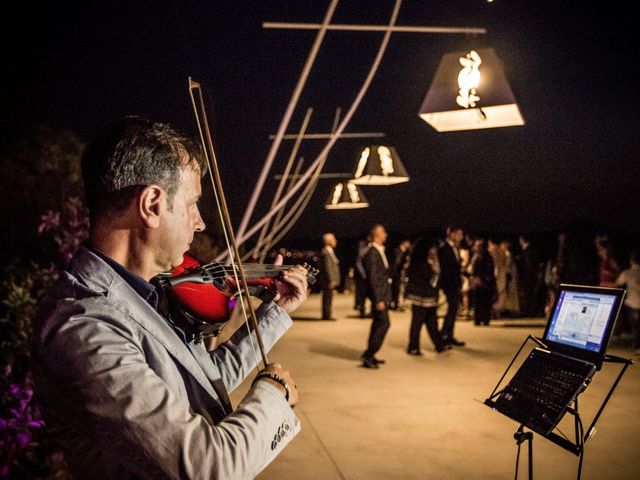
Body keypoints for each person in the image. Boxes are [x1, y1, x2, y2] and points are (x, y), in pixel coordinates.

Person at [31, 116, 309, 479]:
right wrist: (272, 394)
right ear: (152, 204)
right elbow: (209, 468)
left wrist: (275, 314)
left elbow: (203, 382)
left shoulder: (146, 291)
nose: (200, 222)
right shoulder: (83, 328)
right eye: (193, 202)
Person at [404, 238, 447, 355]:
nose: (434, 250)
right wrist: (436, 271)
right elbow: (432, 280)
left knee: (431, 321)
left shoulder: (417, 261)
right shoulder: (423, 263)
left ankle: (438, 345)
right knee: (418, 322)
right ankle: (413, 347)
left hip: (424, 296)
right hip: (423, 297)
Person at [361, 224, 392, 369]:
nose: (386, 234)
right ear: (377, 235)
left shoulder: (377, 251)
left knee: (377, 324)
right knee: (384, 324)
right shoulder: (372, 253)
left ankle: (370, 353)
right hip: (379, 297)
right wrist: (378, 299)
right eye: (383, 232)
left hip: (381, 295)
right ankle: (369, 354)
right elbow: (373, 278)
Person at [437, 225, 466, 347]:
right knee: (451, 309)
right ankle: (444, 334)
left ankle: (449, 334)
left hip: (455, 283)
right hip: (449, 284)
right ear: (452, 234)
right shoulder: (445, 248)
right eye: (459, 234)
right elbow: (445, 268)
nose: (461, 237)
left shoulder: (454, 248)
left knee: (453, 310)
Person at [616, 249, 640, 355]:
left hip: (632, 303)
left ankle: (637, 346)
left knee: (635, 326)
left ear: (632, 260)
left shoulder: (627, 273)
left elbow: (618, 283)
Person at [469, 238, 497, 326]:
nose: (475, 247)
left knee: (483, 302)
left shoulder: (485, 256)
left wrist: (479, 278)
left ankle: (482, 319)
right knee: (480, 302)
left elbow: (488, 270)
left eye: (477, 245)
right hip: (480, 282)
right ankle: (481, 319)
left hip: (483, 283)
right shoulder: (478, 255)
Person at [319, 232, 340, 320]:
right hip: (327, 280)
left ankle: (327, 314)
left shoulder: (329, 251)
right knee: (327, 297)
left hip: (329, 280)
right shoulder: (326, 252)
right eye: (333, 239)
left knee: (329, 297)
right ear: (328, 241)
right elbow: (328, 267)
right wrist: (331, 279)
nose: (335, 241)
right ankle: (326, 315)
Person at [390, 238, 411, 311]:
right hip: (397, 273)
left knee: (396, 289)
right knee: (396, 289)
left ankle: (395, 303)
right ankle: (395, 304)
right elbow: (397, 263)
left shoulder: (404, 252)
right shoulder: (399, 251)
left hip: (397, 273)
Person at [353, 238, 369, 318]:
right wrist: (364, 274)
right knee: (362, 295)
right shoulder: (363, 251)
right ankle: (362, 310)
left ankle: (361, 309)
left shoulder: (363, 250)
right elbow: (358, 263)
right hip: (362, 277)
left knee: (362, 295)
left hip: (363, 276)